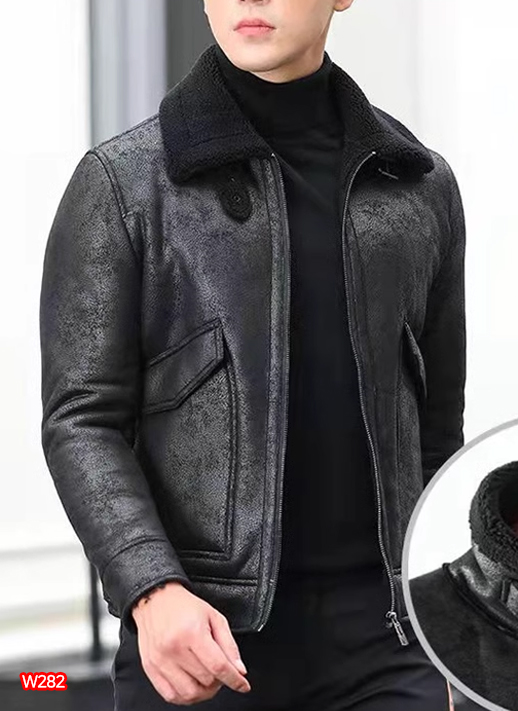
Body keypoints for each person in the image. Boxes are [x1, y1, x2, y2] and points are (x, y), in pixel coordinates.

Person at [39, 0, 466, 708]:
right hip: (200, 637)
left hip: (389, 644)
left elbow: (437, 429)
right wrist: (151, 588)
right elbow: (81, 419)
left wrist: (446, 622)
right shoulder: (124, 184)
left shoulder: (417, 186)